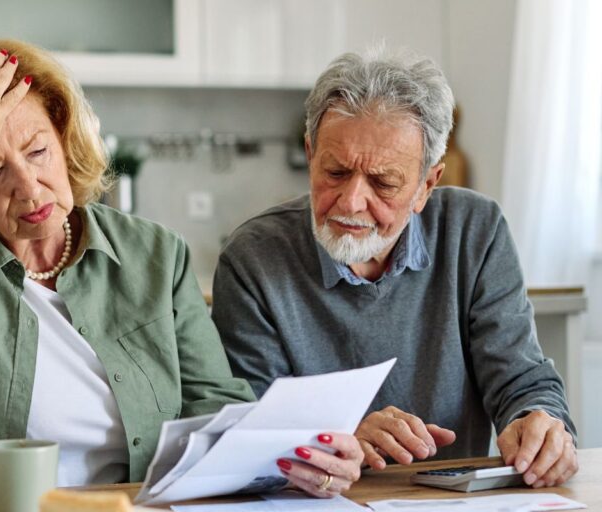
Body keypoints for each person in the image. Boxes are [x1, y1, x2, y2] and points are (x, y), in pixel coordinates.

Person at [0, 38, 362, 495]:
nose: (30, 188)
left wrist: (297, 459)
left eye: (38, 151)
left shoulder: (154, 255)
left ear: (63, 134)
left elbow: (213, 407)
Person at [212, 48, 579, 489]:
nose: (350, 202)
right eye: (335, 172)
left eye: (383, 183)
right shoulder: (253, 257)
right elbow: (246, 433)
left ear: (427, 184)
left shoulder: (476, 231)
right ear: (310, 154)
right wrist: (338, 437)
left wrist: (537, 423)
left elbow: (521, 378)